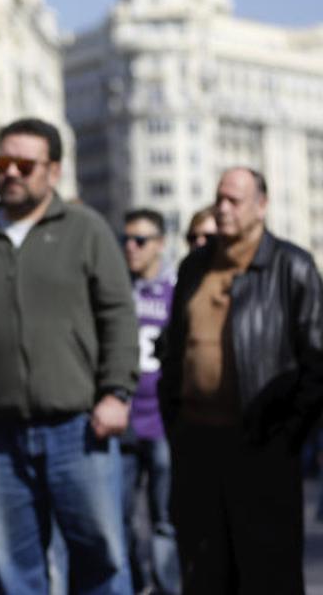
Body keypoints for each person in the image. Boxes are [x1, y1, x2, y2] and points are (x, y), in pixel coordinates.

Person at [0, 117, 137, 595]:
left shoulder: (86, 230)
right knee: (14, 570)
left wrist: (116, 392)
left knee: (101, 562)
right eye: (3, 162)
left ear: (54, 170)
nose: (12, 173)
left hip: (79, 431)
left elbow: (118, 315)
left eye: (25, 163)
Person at [157, 168, 323, 594]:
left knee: (268, 572)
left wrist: (286, 436)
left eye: (235, 200)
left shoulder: (292, 267)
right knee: (205, 570)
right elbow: (174, 353)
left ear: (261, 205)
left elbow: (315, 364)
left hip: (261, 449)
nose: (224, 209)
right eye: (219, 199)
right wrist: (177, 427)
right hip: (198, 447)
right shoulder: (195, 265)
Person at [118, 209, 179, 595]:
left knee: (165, 519)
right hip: (121, 420)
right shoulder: (116, 286)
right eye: (126, 239)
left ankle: (166, 586)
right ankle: (137, 584)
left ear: (160, 244)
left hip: (161, 420)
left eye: (140, 240)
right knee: (119, 517)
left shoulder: (175, 288)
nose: (131, 248)